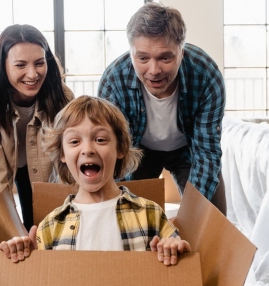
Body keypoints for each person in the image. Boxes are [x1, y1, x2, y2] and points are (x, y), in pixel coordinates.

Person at [0, 95, 190, 266]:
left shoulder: (150, 214)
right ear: (62, 154)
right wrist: (25, 256)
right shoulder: (50, 226)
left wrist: (173, 246)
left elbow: (178, 253)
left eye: (100, 139)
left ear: (120, 149)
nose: (87, 149)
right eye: (74, 141)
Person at [97, 2, 227, 214]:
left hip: (189, 150)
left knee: (211, 220)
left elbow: (206, 151)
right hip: (137, 151)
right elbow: (114, 150)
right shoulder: (113, 81)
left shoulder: (206, 75)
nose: (154, 70)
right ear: (131, 53)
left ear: (181, 52)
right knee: (127, 219)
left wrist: (194, 216)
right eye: (143, 58)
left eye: (165, 57)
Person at [0, 24, 73, 232]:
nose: (32, 74)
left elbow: (67, 161)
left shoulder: (62, 97)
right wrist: (14, 232)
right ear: (3, 65)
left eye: (39, 63)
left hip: (39, 160)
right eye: (20, 65)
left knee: (40, 223)